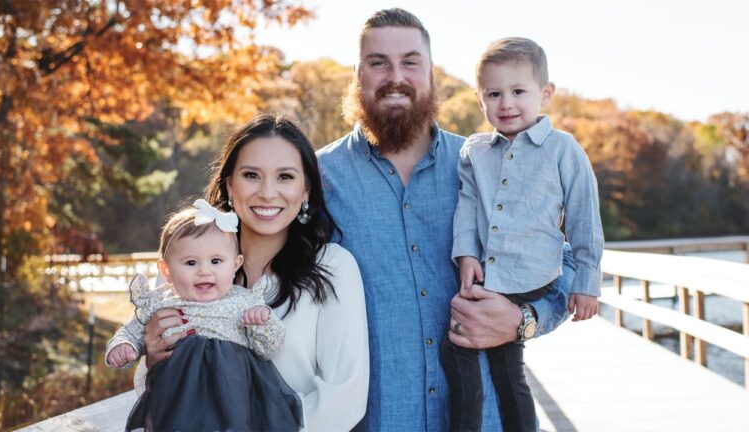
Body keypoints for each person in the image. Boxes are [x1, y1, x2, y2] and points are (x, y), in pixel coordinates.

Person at [316, 9, 576, 431]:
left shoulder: (489, 163)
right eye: (378, 62)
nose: (394, 76)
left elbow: (566, 262)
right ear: (357, 74)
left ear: (431, 73)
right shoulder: (317, 177)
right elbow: (265, 275)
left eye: (410, 62)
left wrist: (523, 320)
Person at [134, 114, 370, 431]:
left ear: (306, 191)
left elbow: (345, 398)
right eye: (251, 175)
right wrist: (152, 357)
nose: (267, 193)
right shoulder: (188, 263)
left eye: (285, 177)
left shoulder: (332, 268)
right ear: (230, 184)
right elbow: (147, 387)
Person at [440, 37, 605, 432]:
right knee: (463, 350)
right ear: (480, 101)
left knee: (504, 368)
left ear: (545, 94)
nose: (506, 103)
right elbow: (466, 206)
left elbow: (585, 219)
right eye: (493, 94)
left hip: (531, 275)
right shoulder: (475, 152)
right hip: (487, 276)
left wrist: (587, 283)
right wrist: (466, 254)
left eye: (518, 91)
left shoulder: (563, 151)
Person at [106, 200, 302, 431]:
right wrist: (123, 346)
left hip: (231, 398)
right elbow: (132, 331)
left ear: (235, 265)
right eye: (191, 262)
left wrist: (262, 320)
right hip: (178, 399)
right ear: (166, 271)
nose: (204, 271)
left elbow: (269, 348)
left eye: (216, 261)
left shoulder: (243, 301)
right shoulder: (160, 302)